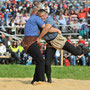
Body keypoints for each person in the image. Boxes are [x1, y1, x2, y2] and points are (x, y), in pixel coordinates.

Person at [37, 9, 84, 83]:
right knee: (47, 63)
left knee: (77, 52)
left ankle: (81, 46)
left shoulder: (49, 19)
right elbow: (48, 29)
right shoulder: (39, 22)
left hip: (58, 40)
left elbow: (47, 28)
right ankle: (49, 79)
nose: (42, 17)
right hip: (50, 43)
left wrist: (40, 37)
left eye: (43, 15)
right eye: (40, 16)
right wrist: (55, 29)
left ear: (46, 15)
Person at [22, 8, 46, 84]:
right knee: (40, 61)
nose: (41, 16)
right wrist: (56, 29)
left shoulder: (30, 19)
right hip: (31, 42)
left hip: (27, 42)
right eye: (40, 14)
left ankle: (35, 79)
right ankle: (41, 80)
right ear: (36, 13)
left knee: (39, 61)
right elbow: (45, 27)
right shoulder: (36, 17)